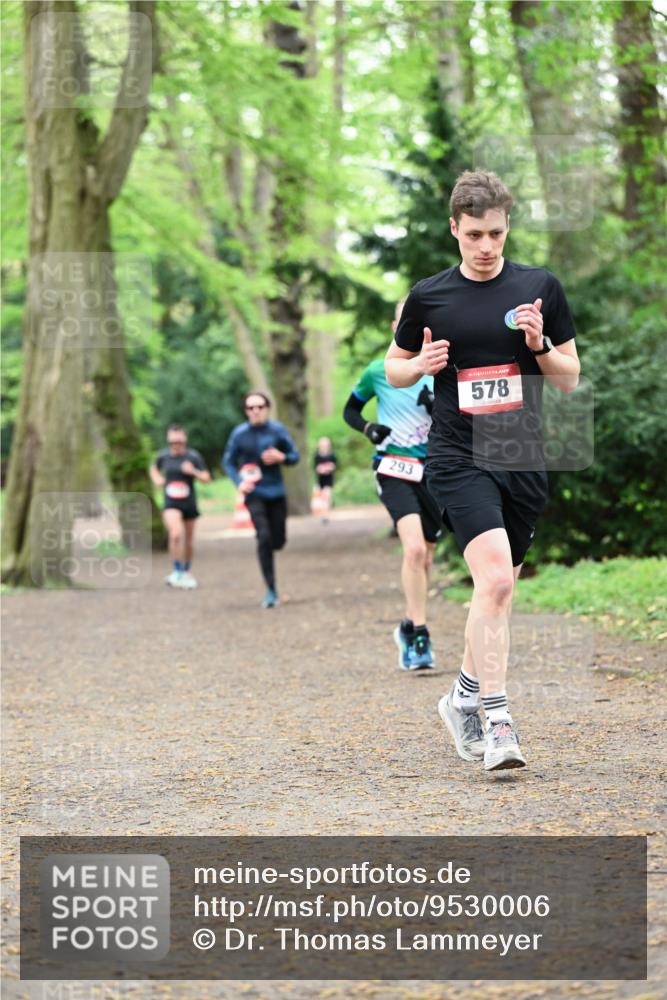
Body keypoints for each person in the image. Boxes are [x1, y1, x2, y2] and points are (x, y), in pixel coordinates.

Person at [385, 169, 580, 770]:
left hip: (520, 453)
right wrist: (419, 363)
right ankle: (496, 721)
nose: (487, 246)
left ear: (507, 227)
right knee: (493, 582)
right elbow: (393, 367)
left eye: (496, 232)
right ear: (455, 230)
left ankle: (460, 698)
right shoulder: (430, 296)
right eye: (474, 235)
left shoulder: (539, 286)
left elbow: (569, 378)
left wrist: (542, 345)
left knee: (502, 589)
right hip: (457, 456)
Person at [343, 300, 441, 671]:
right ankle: (419, 633)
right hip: (392, 467)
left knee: (427, 555)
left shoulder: (440, 367)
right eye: (406, 322)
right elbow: (350, 411)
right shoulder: (377, 370)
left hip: (434, 470)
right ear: (395, 327)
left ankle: (408, 622)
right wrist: (368, 428)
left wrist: (437, 406)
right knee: (414, 550)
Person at [222, 392, 300, 608]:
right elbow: (228, 462)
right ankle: (271, 589)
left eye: (259, 406)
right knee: (263, 537)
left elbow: (295, 456)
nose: (255, 411)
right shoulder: (239, 434)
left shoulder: (277, 430)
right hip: (254, 493)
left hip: (276, 492)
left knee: (278, 541)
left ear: (267, 408)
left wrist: (281, 457)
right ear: (246, 411)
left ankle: (271, 552)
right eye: (250, 408)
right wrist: (239, 482)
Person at [150, 425, 211, 589]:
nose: (176, 444)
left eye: (179, 441)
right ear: (169, 441)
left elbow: (206, 478)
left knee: (189, 540)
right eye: (172, 441)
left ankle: (186, 571)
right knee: (176, 533)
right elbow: (154, 468)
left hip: (189, 502)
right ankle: (176, 570)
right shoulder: (163, 456)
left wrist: (194, 472)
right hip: (171, 502)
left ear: (184, 440)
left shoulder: (193, 456)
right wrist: (157, 479)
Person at [313, 436, 337, 520]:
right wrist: (322, 469)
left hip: (329, 479)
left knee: (327, 496)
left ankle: (325, 515)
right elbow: (316, 468)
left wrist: (328, 468)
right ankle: (322, 514)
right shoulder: (317, 456)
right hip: (320, 480)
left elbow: (334, 466)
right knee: (320, 497)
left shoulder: (332, 455)